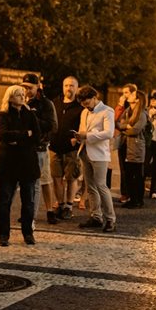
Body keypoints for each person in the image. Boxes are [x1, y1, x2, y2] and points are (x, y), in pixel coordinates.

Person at [0, 85, 41, 246]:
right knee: (5, 200)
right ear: (10, 97)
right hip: (8, 163)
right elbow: (3, 135)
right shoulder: (3, 115)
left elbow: (37, 136)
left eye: (23, 94)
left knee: (28, 201)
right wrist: (25, 134)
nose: (22, 97)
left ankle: (28, 233)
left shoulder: (30, 114)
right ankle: (3, 234)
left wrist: (17, 140)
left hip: (27, 163)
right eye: (18, 94)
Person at [74, 86, 116, 232]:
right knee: (90, 186)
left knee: (101, 186)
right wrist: (78, 137)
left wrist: (87, 135)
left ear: (94, 98)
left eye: (87, 103)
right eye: (83, 104)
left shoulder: (107, 111)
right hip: (85, 151)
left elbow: (109, 133)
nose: (86, 106)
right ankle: (96, 216)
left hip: (99, 154)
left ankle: (110, 219)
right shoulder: (84, 112)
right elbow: (82, 129)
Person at [22, 73, 58, 226]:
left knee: (44, 180)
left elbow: (52, 126)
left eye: (30, 87)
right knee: (29, 181)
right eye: (24, 87)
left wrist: (33, 118)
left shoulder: (45, 103)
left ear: (38, 86)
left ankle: (48, 210)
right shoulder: (22, 100)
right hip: (26, 146)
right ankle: (29, 212)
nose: (27, 90)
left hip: (40, 146)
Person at [49, 76, 82, 220]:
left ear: (77, 88)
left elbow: (84, 126)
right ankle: (60, 205)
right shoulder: (55, 103)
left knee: (71, 178)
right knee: (56, 178)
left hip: (71, 149)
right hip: (54, 147)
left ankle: (69, 206)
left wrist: (77, 140)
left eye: (72, 85)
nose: (69, 88)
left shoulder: (80, 106)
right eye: (66, 85)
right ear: (63, 87)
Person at [119, 89, 148, 209]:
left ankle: (138, 200)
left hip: (136, 147)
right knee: (128, 175)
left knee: (136, 175)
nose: (129, 96)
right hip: (125, 145)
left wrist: (124, 129)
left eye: (132, 94)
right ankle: (132, 198)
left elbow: (135, 130)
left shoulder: (142, 114)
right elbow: (118, 123)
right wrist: (126, 126)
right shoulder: (127, 111)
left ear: (137, 99)